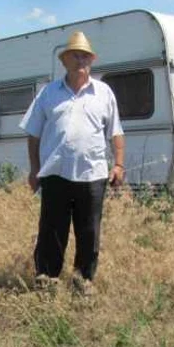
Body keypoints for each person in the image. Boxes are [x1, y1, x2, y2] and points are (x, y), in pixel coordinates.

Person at [19, 31, 125, 295]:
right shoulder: (49, 93)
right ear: (64, 61)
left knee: (89, 233)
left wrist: (119, 165)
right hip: (55, 173)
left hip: (93, 175)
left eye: (86, 56)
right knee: (52, 232)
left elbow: (116, 132)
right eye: (75, 55)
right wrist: (34, 170)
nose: (81, 60)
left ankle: (83, 283)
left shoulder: (104, 93)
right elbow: (33, 134)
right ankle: (46, 281)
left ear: (92, 60)